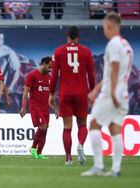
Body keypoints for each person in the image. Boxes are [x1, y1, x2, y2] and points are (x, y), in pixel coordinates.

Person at [82, 12, 133, 177]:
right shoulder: (127, 46)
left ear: (110, 26)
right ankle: (116, 169)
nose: (104, 29)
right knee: (115, 129)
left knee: (94, 124)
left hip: (112, 94)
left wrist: (111, 94)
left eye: (104, 26)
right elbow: (113, 72)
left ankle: (98, 166)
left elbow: (115, 69)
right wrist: (96, 89)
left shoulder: (113, 44)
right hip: (123, 93)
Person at [49, 26, 96, 165]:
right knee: (82, 124)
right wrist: (93, 91)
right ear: (78, 37)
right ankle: (81, 144)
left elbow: (54, 76)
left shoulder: (58, 51)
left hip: (65, 93)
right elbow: (91, 75)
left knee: (67, 127)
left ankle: (68, 158)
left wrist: (51, 93)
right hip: (81, 92)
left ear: (67, 36)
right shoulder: (86, 52)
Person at [20, 57, 58, 159]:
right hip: (35, 106)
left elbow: (51, 96)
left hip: (45, 107)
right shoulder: (32, 75)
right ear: (43, 64)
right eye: (49, 67)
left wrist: (55, 108)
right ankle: (33, 148)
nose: (50, 69)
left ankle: (39, 153)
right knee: (43, 127)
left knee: (45, 130)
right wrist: (23, 107)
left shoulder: (49, 78)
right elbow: (25, 92)